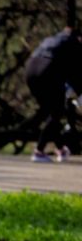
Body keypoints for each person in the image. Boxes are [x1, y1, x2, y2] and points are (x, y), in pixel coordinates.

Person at [24, 28, 82, 163]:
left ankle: (61, 149)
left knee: (52, 113)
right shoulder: (74, 43)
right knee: (57, 112)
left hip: (30, 70)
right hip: (47, 71)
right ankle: (39, 151)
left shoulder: (51, 39)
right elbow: (76, 73)